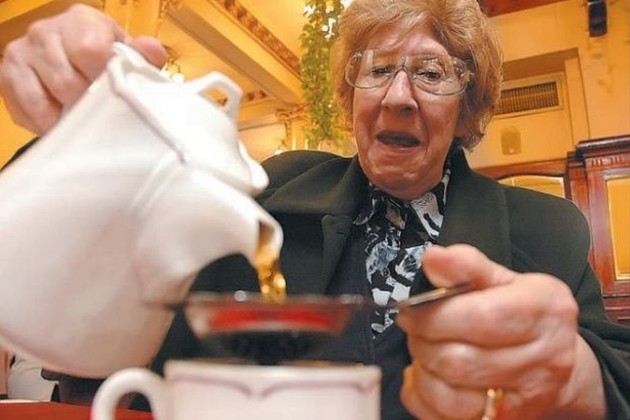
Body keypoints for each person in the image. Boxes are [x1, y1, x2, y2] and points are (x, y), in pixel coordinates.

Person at [1, 0, 629, 418]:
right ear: (351, 97)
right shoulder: (266, 190)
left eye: (432, 73)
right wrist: (85, 123)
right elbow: (114, 227)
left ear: (467, 106)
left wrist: (575, 377)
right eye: (377, 69)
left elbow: (619, 374)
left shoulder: (547, 229)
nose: (399, 97)